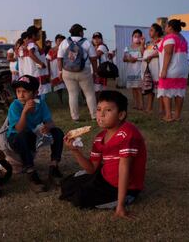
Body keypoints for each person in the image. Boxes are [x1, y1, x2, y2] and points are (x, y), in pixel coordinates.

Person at [60, 90, 147, 219]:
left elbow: (124, 168)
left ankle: (126, 198)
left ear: (121, 115)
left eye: (108, 111)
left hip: (121, 187)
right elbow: (91, 169)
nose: (101, 114)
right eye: (99, 109)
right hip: (104, 176)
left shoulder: (128, 133)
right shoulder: (100, 137)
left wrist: (120, 206)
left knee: (80, 198)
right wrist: (74, 150)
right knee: (67, 184)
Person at [7, 75, 64, 193]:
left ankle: (54, 167)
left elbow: (50, 121)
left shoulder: (41, 103)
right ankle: (31, 173)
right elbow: (19, 129)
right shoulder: (15, 105)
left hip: (34, 135)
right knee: (22, 136)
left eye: (25, 91)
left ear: (35, 93)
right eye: (18, 91)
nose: (21, 95)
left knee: (58, 132)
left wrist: (47, 126)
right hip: (17, 139)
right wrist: (24, 112)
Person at [57, 24, 98, 122]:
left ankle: (75, 117)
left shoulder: (64, 42)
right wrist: (95, 71)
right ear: (80, 32)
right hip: (84, 71)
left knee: (72, 94)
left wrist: (60, 71)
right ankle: (94, 116)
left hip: (67, 71)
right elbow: (93, 58)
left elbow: (59, 59)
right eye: (82, 31)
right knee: (89, 93)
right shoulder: (87, 42)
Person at [157, 19, 189, 122]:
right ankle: (177, 115)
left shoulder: (170, 37)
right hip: (182, 69)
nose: (165, 28)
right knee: (179, 91)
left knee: (166, 91)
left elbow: (168, 53)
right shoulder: (183, 39)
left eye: (166, 26)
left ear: (170, 27)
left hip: (172, 69)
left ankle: (168, 116)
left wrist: (164, 70)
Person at [140, 23, 163, 113]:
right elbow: (143, 53)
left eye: (151, 30)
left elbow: (161, 52)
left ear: (157, 32)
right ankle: (149, 108)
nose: (149, 32)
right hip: (148, 67)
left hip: (157, 66)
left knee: (160, 90)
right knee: (150, 88)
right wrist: (142, 44)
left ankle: (162, 109)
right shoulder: (149, 43)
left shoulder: (161, 41)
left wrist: (151, 56)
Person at [23, 26, 51, 97]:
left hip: (33, 71)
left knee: (36, 91)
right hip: (36, 72)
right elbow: (31, 54)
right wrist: (40, 63)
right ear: (33, 35)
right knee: (39, 91)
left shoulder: (28, 44)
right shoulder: (31, 44)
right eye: (38, 33)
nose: (39, 35)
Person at [123, 29, 144, 110]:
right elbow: (124, 58)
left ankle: (141, 105)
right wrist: (129, 59)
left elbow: (143, 54)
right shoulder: (127, 48)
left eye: (139, 36)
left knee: (139, 88)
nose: (137, 38)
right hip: (131, 70)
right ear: (132, 37)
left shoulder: (142, 46)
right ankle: (136, 104)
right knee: (133, 88)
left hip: (139, 70)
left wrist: (142, 44)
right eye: (135, 36)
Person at [46, 34, 66, 104]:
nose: (60, 42)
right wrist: (48, 71)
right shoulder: (51, 50)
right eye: (59, 40)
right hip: (54, 71)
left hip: (65, 69)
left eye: (62, 41)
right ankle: (61, 101)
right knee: (58, 87)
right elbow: (47, 60)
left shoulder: (66, 49)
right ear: (56, 41)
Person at [92, 32, 112, 98]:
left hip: (101, 71)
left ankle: (99, 104)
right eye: (94, 38)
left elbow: (95, 56)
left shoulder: (102, 46)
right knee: (96, 89)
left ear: (101, 39)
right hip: (96, 71)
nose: (96, 40)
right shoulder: (94, 47)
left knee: (99, 89)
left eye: (98, 38)